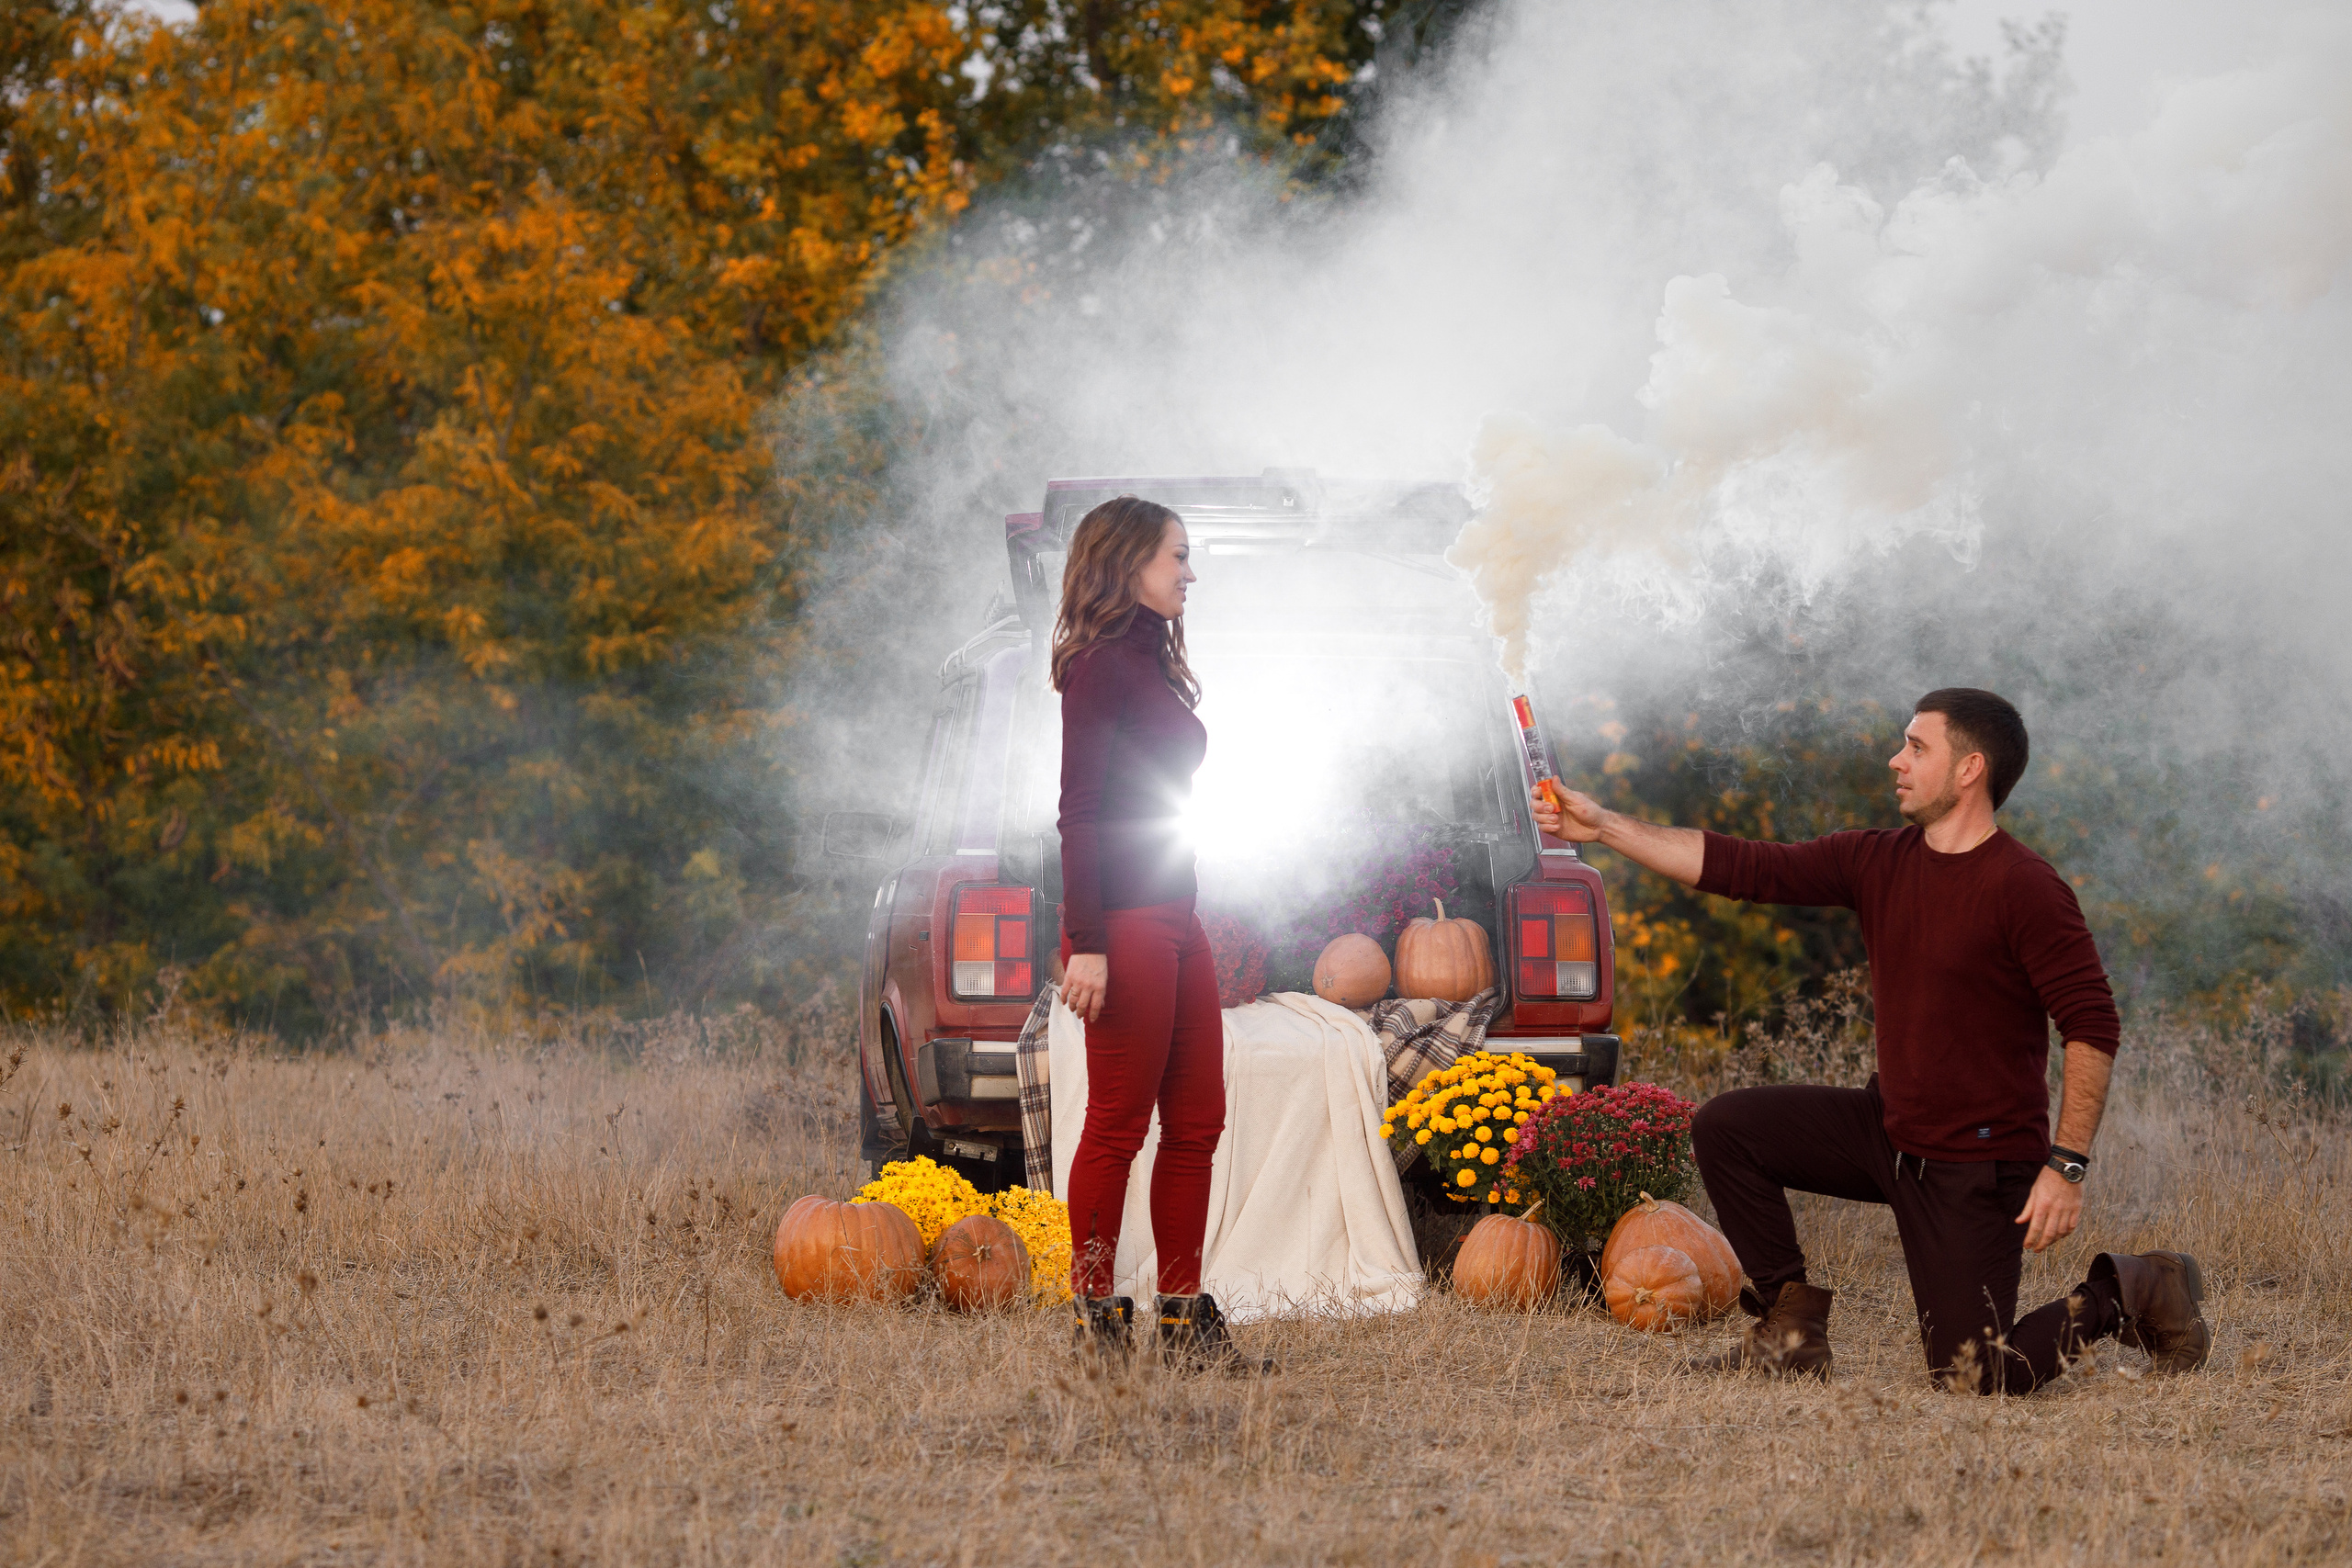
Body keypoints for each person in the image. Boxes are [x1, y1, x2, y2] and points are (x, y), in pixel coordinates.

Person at [1531, 688, 2210, 1393]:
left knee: (1973, 1376)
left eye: (1917, 746)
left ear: (1970, 768)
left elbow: (2092, 1022)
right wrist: (1603, 825)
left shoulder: (2025, 886)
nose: (1897, 760)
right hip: (1888, 1131)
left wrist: (2064, 1166)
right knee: (1728, 1128)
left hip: (1978, 1164)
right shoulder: (1877, 859)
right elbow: (1744, 866)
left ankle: (2136, 1287)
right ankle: (1789, 1333)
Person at [1052, 496, 1262, 1374]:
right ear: (1128, 560)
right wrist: (1087, 941)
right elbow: (1079, 814)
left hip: (1177, 915)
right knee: (1116, 1126)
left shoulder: (1148, 662)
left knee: (1199, 1120)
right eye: (1178, 555)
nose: (1189, 572)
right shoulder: (1100, 668)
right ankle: (1095, 1320)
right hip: (1127, 924)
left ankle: (1180, 1321)